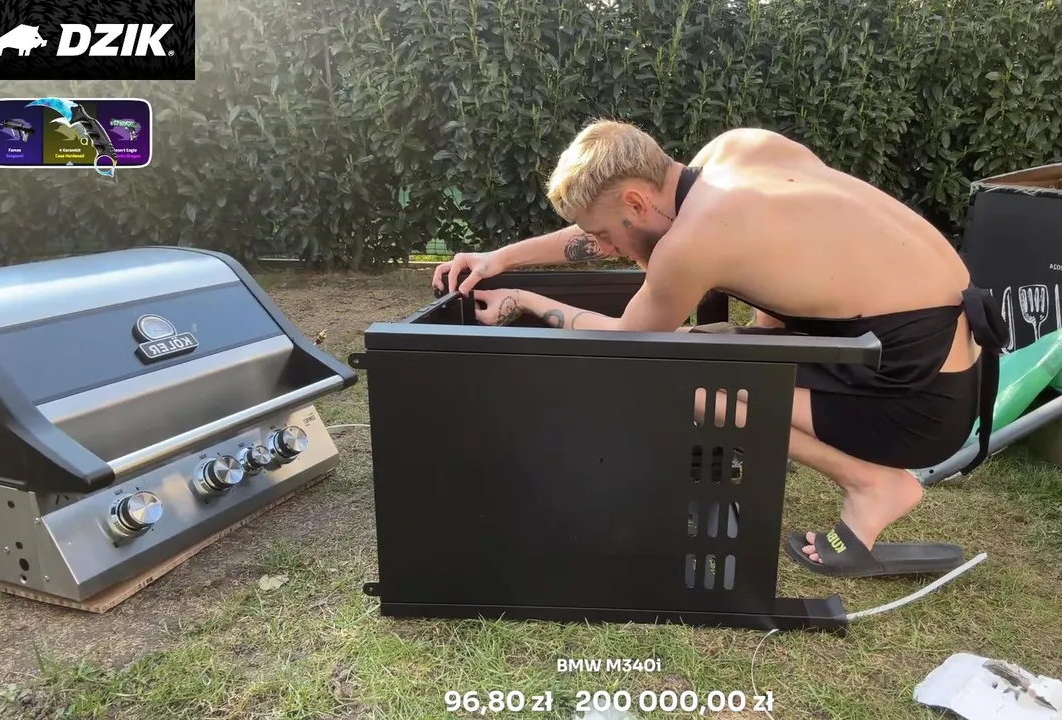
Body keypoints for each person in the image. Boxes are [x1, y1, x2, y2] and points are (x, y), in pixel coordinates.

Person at [431, 120, 1006, 578]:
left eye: (605, 234)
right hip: (939, 354)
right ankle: (807, 448)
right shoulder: (736, 152)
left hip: (917, 400)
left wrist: (527, 299)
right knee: (712, 344)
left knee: (674, 377)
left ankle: (871, 485)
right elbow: (800, 259)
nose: (604, 247)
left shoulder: (694, 240)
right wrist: (501, 258)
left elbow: (628, 346)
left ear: (636, 201)